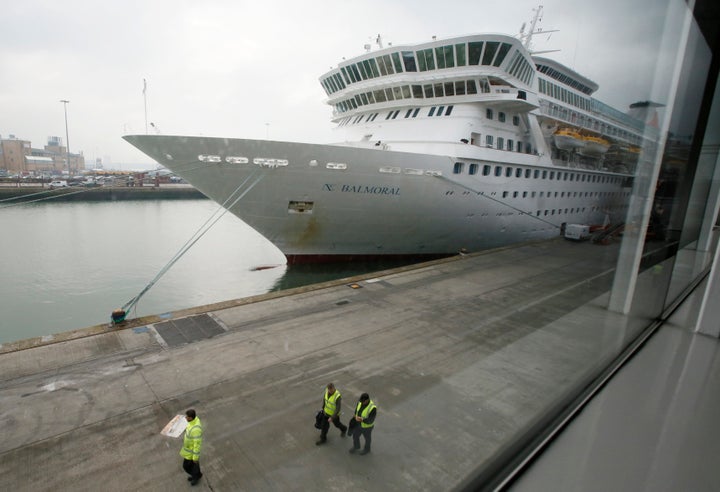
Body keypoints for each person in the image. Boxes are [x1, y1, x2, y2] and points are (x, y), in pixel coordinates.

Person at [180, 409, 203, 486]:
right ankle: (198, 474)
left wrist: (195, 457)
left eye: (187, 417)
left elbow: (197, 444)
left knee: (186, 466)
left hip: (191, 451)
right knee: (194, 465)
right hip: (188, 449)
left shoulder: (196, 429)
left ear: (191, 418)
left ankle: (195, 476)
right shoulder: (192, 422)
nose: (186, 418)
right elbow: (189, 428)